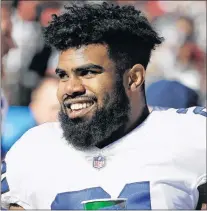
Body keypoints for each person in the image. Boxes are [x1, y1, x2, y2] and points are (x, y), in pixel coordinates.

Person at [1, 2, 206, 210]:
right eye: (63, 75)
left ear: (133, 78)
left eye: (88, 72)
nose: (70, 88)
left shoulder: (191, 136)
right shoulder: (33, 151)